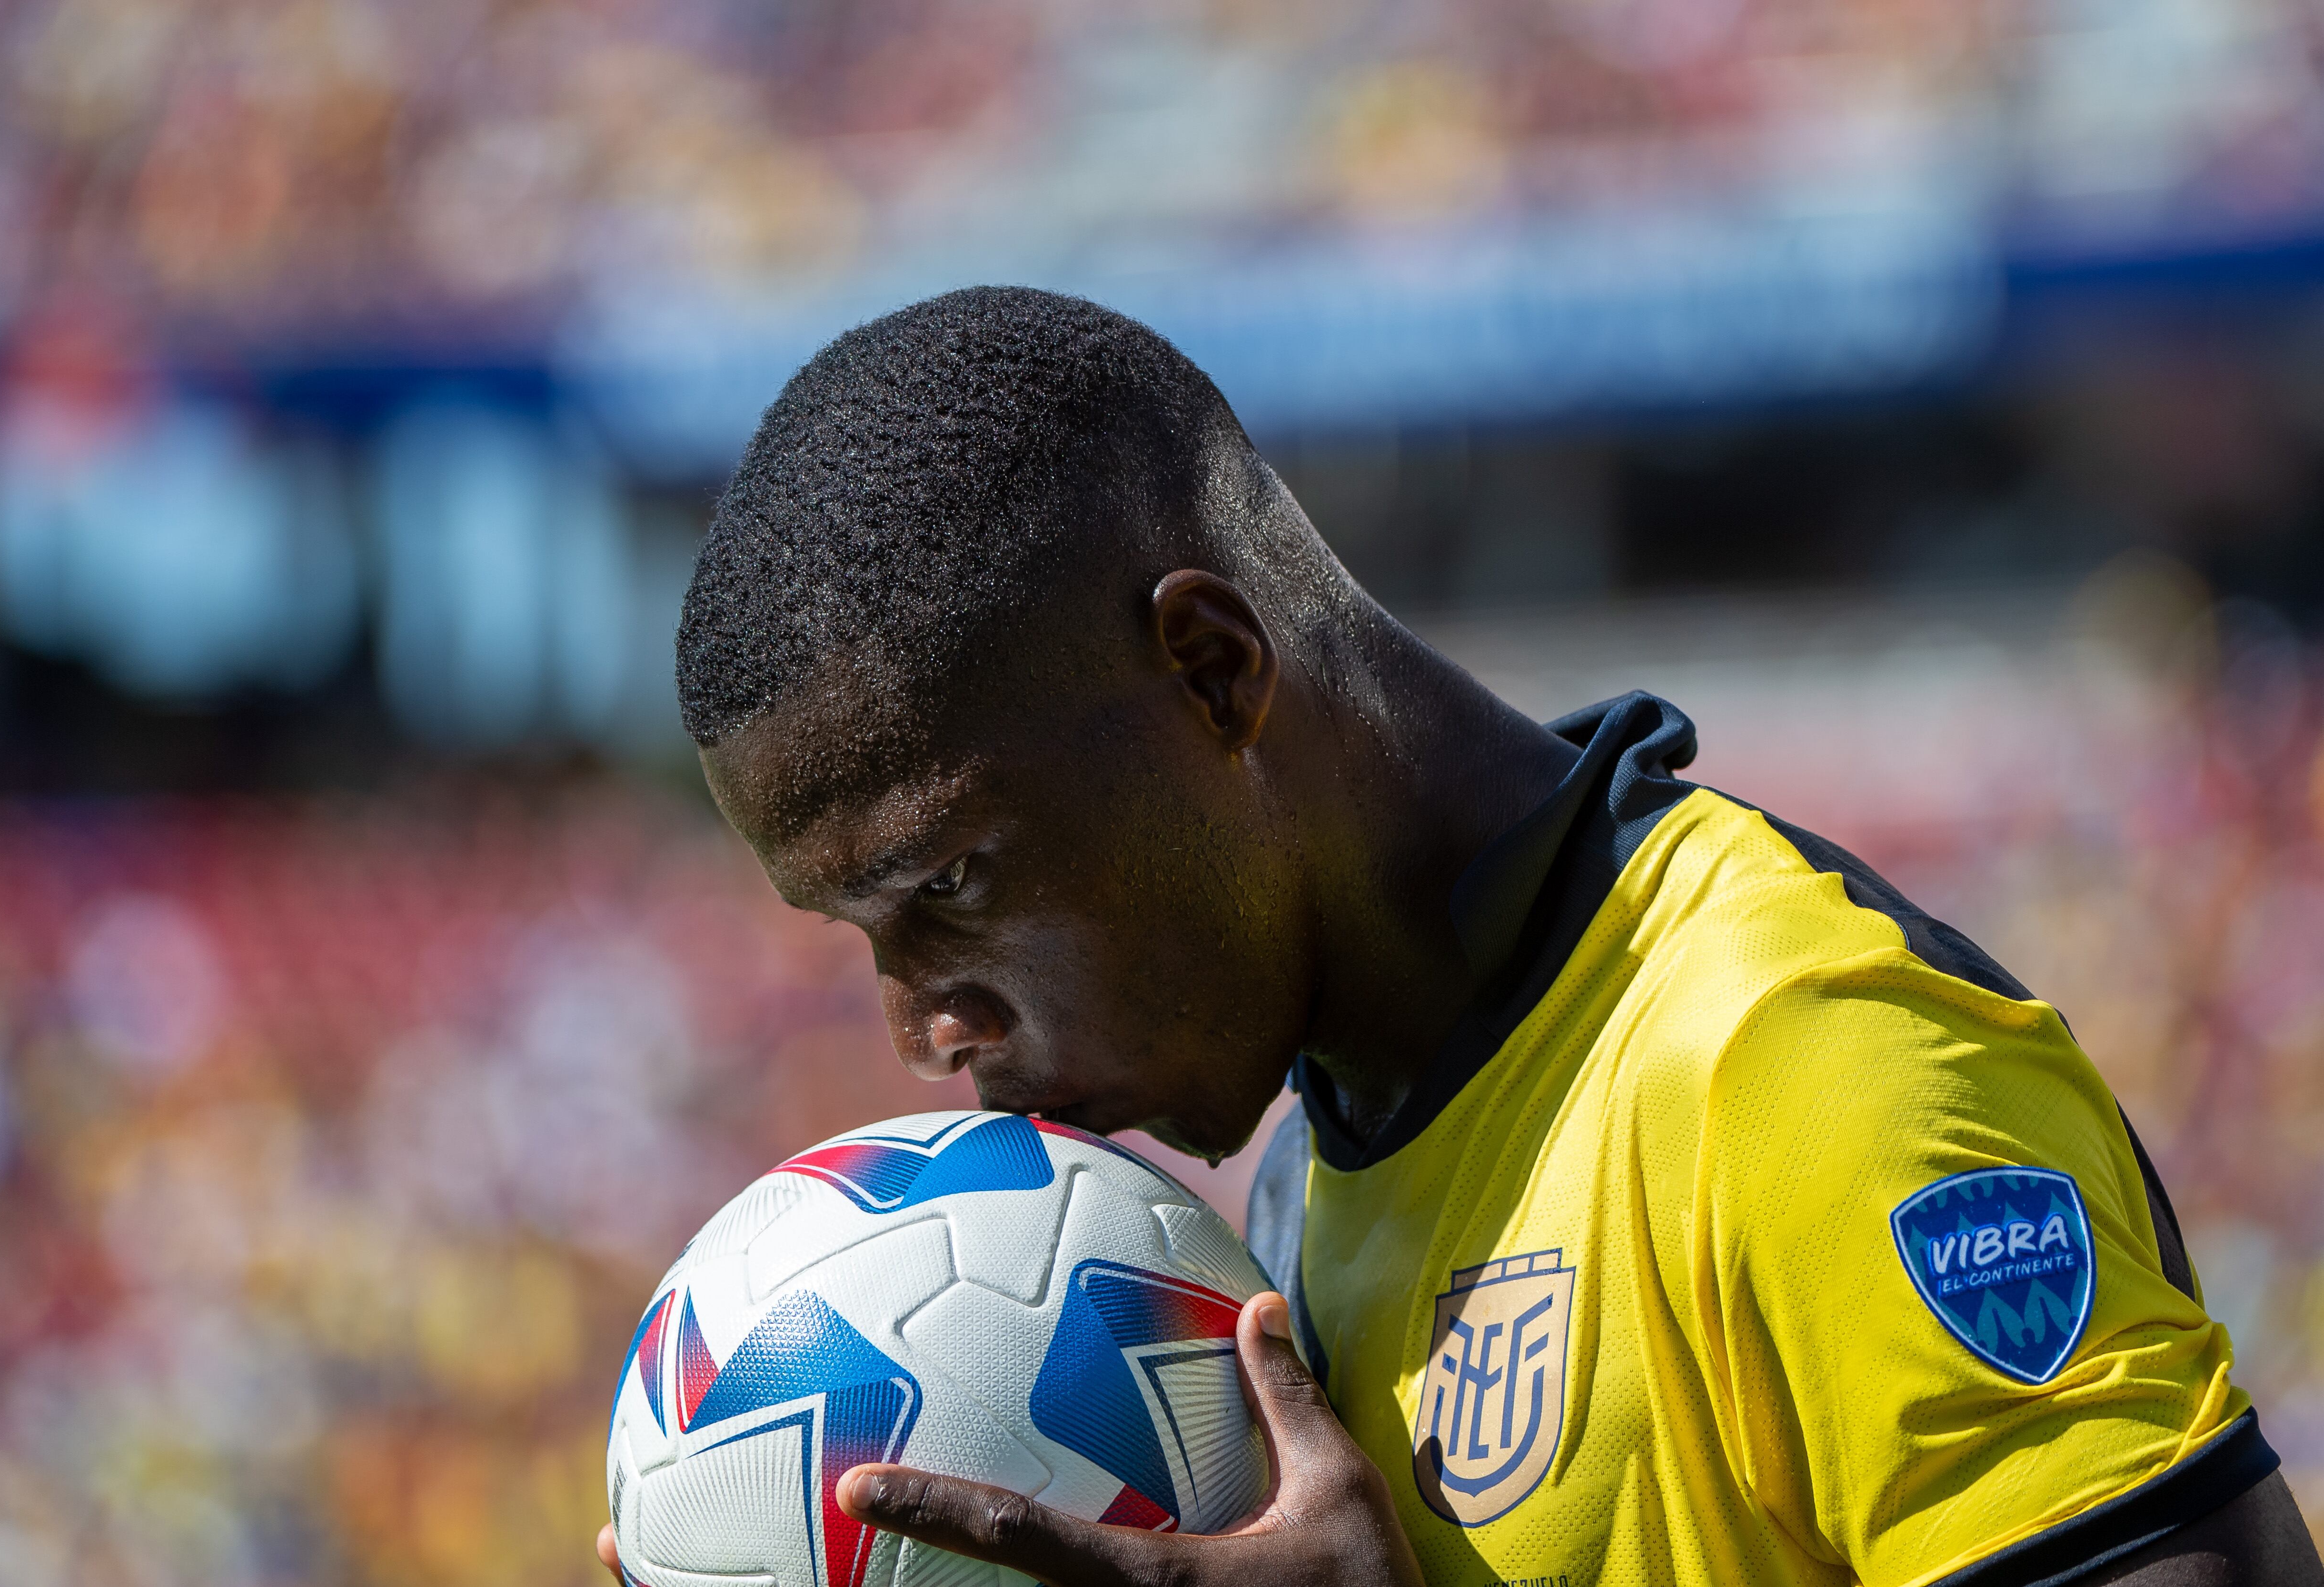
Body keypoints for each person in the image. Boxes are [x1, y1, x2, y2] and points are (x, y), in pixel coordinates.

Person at [604, 286, 2323, 1587]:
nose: (921, 1027)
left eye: (949, 888)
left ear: (1213, 673)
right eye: (857, 933)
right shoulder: (1290, 1204)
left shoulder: (1791, 1053)